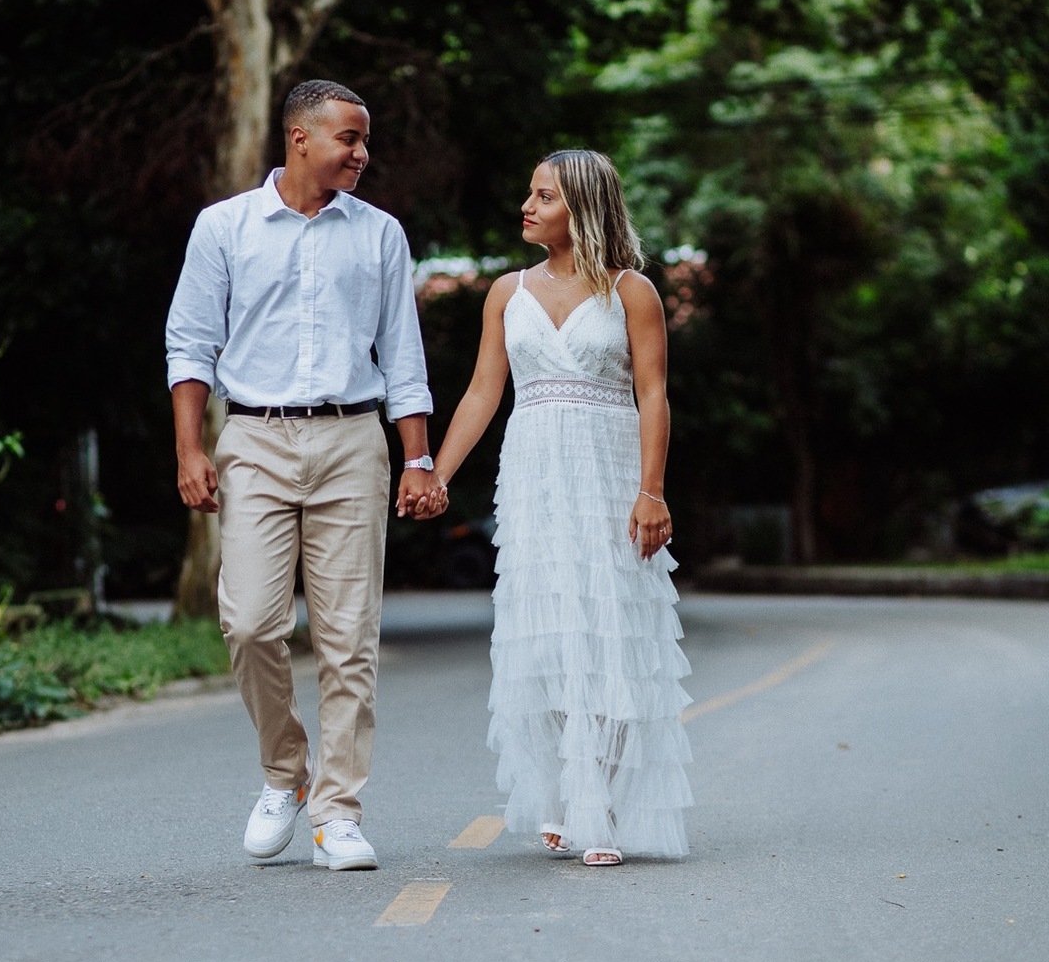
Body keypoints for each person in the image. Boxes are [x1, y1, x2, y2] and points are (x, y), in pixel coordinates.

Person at [165, 80, 441, 871]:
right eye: (349, 139)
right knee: (250, 622)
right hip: (253, 437)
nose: (362, 153)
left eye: (364, 141)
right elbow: (190, 346)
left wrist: (416, 457)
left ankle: (338, 813)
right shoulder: (224, 228)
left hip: (354, 439)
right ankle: (285, 772)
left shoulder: (380, 234)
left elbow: (404, 354)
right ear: (300, 138)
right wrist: (190, 449)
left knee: (349, 637)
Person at [427, 150, 693, 866]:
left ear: (580, 208)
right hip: (534, 473)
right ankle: (558, 789)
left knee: (609, 625)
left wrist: (651, 490)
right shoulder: (504, 293)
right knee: (542, 627)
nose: (526, 204)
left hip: (610, 470)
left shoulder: (631, 291)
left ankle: (597, 799)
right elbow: (484, 391)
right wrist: (435, 472)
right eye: (528, 191)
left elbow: (652, 395)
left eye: (543, 195)